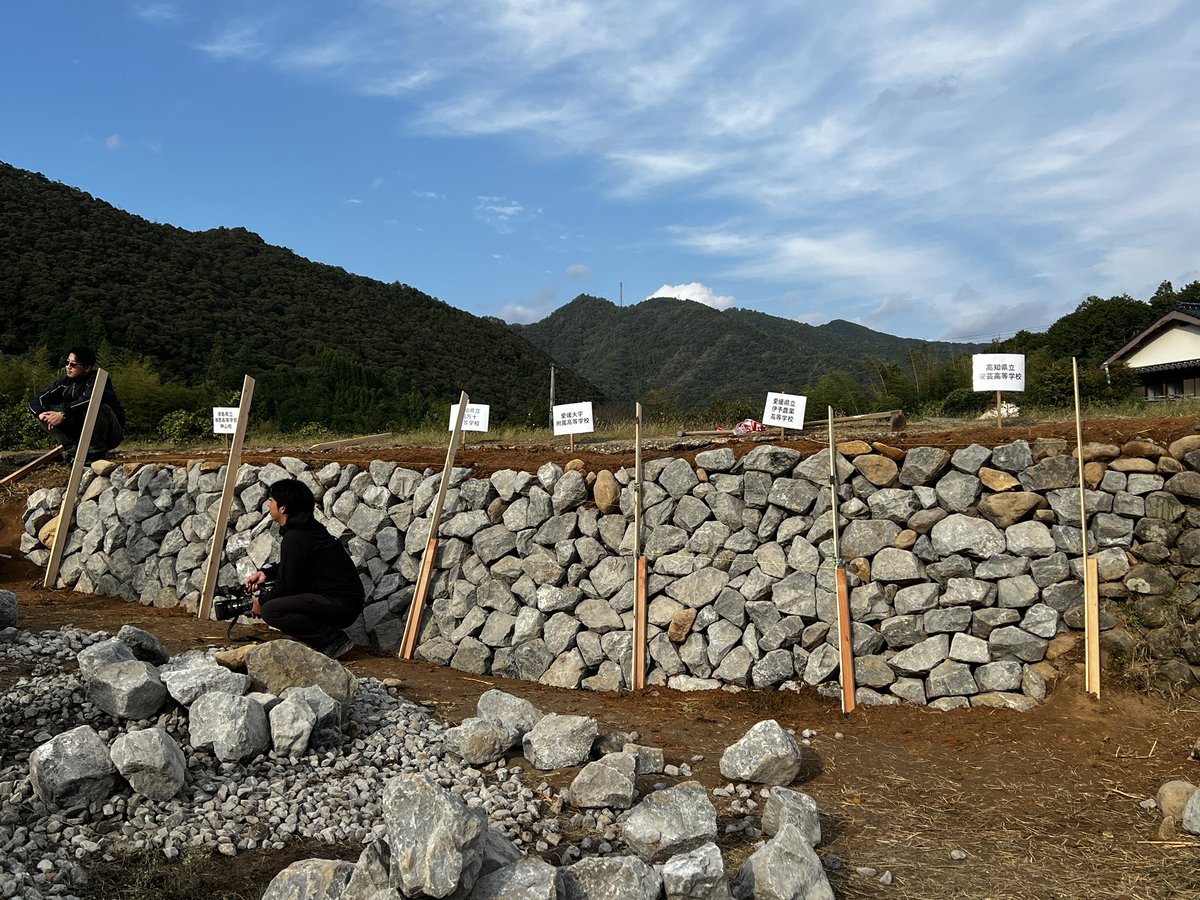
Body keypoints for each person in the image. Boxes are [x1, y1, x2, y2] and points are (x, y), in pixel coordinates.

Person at [245, 478, 364, 659]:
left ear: (283, 508)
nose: (269, 504)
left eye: (271, 500)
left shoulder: (296, 537)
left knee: (271, 610)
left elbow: (286, 585)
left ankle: (334, 641)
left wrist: (260, 603)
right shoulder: (307, 529)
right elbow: (294, 565)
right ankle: (324, 640)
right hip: (344, 601)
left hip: (340, 604)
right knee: (274, 602)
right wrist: (265, 573)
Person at [29, 347, 126, 462]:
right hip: (79, 432)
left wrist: (63, 414)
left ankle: (96, 452)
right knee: (46, 412)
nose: (68, 367)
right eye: (67, 363)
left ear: (87, 367)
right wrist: (42, 414)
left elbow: (89, 399)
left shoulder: (99, 380)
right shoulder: (64, 383)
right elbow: (37, 399)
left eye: (73, 364)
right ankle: (72, 450)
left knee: (96, 405)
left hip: (110, 433)